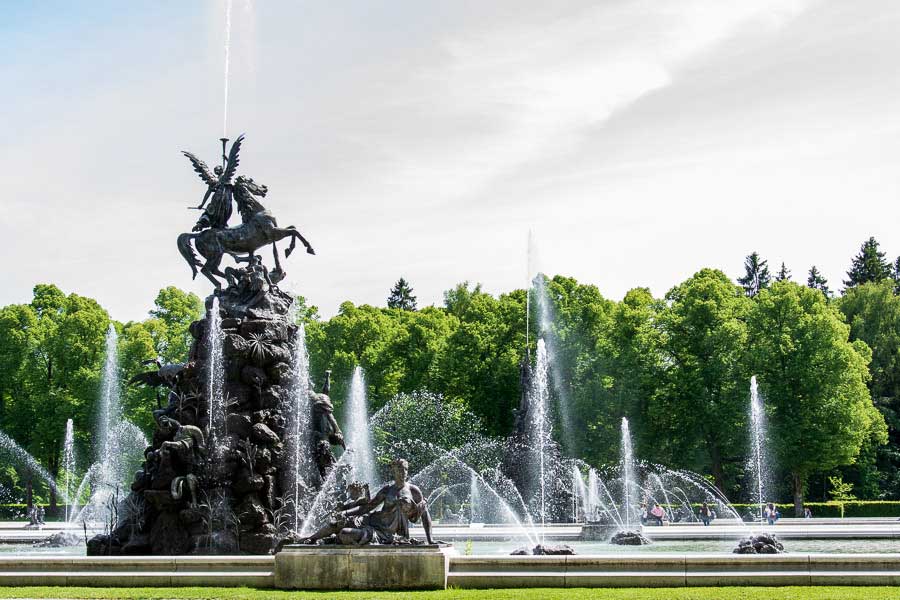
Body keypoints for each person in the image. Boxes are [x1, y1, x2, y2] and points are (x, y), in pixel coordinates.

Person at [338, 458, 434, 545]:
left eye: (405, 469)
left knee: (345, 534)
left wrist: (430, 540)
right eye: (400, 469)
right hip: (377, 529)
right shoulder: (387, 490)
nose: (403, 472)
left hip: (394, 535)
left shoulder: (413, 490)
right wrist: (345, 513)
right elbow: (367, 507)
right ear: (393, 471)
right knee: (344, 532)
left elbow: (425, 515)